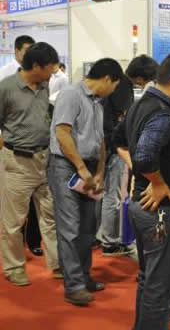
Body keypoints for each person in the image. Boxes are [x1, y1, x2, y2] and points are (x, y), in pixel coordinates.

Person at [113, 49, 170, 330]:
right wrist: (158, 182)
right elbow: (144, 156)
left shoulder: (141, 103)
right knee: (160, 287)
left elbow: (119, 140)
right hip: (160, 212)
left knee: (148, 278)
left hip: (142, 205)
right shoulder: (162, 114)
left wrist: (145, 176)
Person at [48, 58, 122, 306]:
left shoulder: (98, 103)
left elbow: (101, 140)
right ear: (107, 79)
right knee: (70, 227)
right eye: (115, 86)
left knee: (88, 228)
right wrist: (80, 168)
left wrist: (99, 171)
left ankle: (83, 276)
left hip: (89, 168)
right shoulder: (71, 94)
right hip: (66, 166)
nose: (114, 91)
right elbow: (62, 133)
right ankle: (74, 286)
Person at [0, 42, 61, 286]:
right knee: (13, 222)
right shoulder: (6, 88)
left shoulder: (45, 86)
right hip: (17, 162)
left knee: (50, 216)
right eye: (49, 68)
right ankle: (14, 267)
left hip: (44, 160)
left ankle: (57, 263)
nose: (53, 73)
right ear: (35, 66)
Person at [96, 67, 135, 257]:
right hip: (113, 147)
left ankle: (100, 236)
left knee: (102, 195)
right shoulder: (124, 85)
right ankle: (109, 242)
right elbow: (121, 115)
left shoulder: (99, 97)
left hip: (102, 146)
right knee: (113, 196)